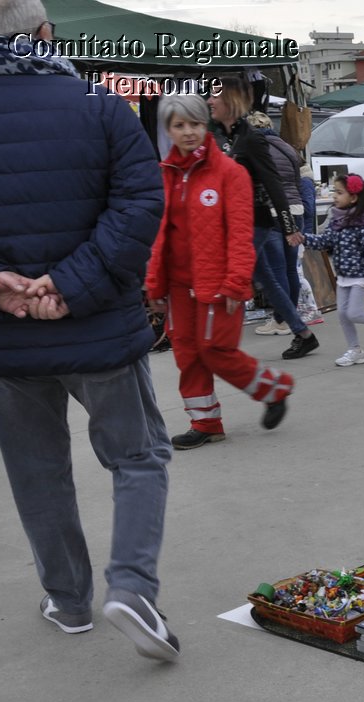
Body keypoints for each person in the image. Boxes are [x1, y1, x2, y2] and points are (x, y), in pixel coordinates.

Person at [0, 0, 179, 660]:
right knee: (137, 458)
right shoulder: (100, 108)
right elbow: (138, 205)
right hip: (98, 325)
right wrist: (67, 285)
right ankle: (131, 586)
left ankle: (69, 600)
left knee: (36, 473)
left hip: (5, 335)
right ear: (44, 34)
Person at [145, 94, 296, 449]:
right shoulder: (164, 174)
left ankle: (273, 388)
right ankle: (206, 423)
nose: (188, 132)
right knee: (187, 355)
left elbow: (242, 234)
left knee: (216, 350)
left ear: (206, 125)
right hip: (177, 287)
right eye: (179, 125)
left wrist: (236, 282)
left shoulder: (231, 174)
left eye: (195, 124)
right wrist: (154, 285)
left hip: (218, 284)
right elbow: (158, 235)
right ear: (168, 129)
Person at [209, 73, 319, 360]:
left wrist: (287, 227)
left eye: (215, 96)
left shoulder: (252, 139)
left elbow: (274, 184)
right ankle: (302, 332)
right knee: (264, 276)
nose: (209, 100)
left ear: (231, 102)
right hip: (231, 221)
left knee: (238, 271)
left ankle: (218, 338)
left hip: (253, 221)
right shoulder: (217, 135)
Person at [303, 173, 364, 366]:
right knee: (342, 314)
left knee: (353, 313)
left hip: (360, 277)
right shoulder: (337, 220)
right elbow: (325, 241)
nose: (334, 197)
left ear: (353, 197)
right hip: (343, 276)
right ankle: (355, 350)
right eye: (334, 192)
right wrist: (304, 238)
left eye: (339, 192)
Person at [247, 110, 312, 336]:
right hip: (296, 210)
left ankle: (281, 319)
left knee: (277, 270)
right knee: (290, 268)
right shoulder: (288, 148)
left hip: (274, 212)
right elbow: (299, 180)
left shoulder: (255, 149)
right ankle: (289, 315)